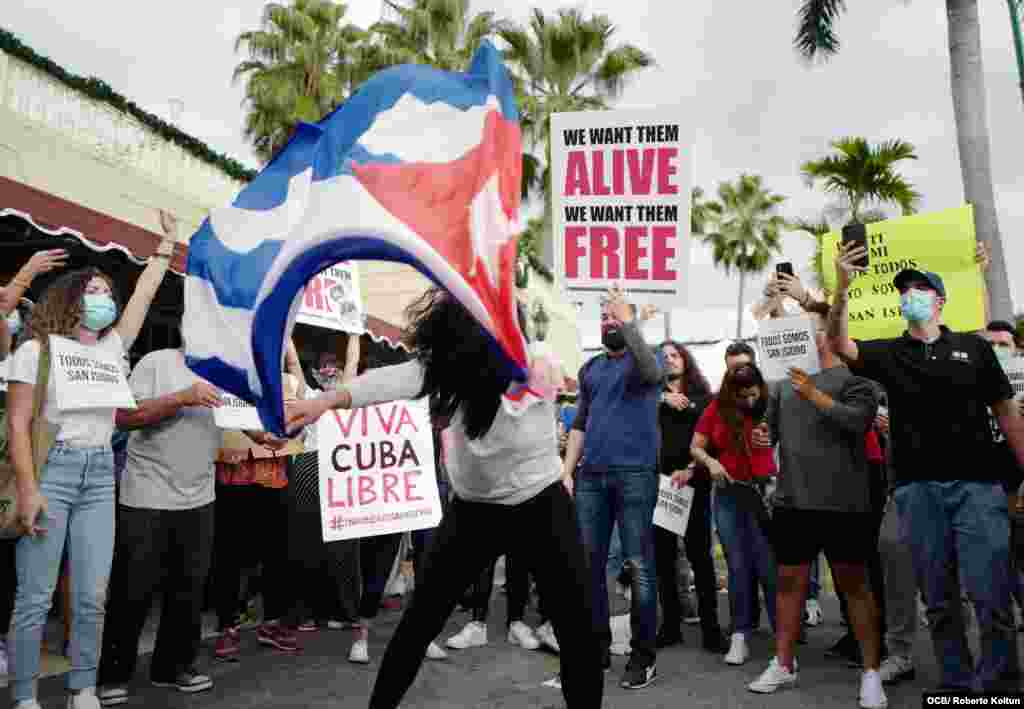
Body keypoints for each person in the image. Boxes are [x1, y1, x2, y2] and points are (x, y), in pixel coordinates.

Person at [285, 288, 603, 709]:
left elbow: (516, 380)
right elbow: (394, 378)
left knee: (576, 630)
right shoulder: (450, 366)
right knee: (418, 623)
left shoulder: (535, 365)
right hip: (473, 512)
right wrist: (326, 400)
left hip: (539, 505)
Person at [827, 242, 1024, 692]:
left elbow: (1007, 411)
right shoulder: (889, 353)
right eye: (904, 290)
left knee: (990, 595)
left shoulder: (974, 349)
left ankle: (998, 686)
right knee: (938, 600)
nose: (909, 294)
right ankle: (955, 686)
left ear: (939, 300)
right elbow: (839, 343)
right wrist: (842, 287)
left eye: (920, 288)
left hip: (977, 488)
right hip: (918, 493)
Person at [8, 211, 178, 709]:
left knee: (91, 597)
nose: (105, 300)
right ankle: (24, 696)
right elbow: (18, 424)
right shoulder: (35, 350)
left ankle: (83, 687)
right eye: (95, 291)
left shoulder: (112, 350)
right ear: (72, 298)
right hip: (52, 473)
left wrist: (165, 249)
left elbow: (144, 297)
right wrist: (28, 488)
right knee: (35, 597)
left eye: (108, 292)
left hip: (101, 475)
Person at [97, 333, 286, 705]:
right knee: (132, 591)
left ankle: (174, 667)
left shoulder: (226, 372)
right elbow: (125, 417)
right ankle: (113, 674)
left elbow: (241, 417)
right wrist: (182, 397)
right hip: (146, 494)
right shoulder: (156, 361)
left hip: (200, 496)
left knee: (189, 590)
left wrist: (266, 436)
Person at [746, 306, 886, 708]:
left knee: (854, 588)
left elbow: (857, 422)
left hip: (844, 503)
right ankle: (784, 663)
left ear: (827, 333)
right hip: (793, 502)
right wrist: (762, 436)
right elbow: (769, 430)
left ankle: (871, 672)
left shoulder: (857, 380)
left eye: (813, 327)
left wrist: (815, 395)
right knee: (789, 584)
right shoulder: (784, 385)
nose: (805, 333)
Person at [561, 286, 662, 689]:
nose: (609, 321)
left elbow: (653, 374)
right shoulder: (590, 369)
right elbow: (580, 424)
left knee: (638, 565)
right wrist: (568, 469)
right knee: (589, 568)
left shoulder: (647, 360)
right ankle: (596, 648)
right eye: (604, 316)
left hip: (635, 474)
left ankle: (643, 656)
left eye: (615, 316)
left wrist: (628, 317)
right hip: (591, 478)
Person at [211, 364, 303, 662]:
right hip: (235, 475)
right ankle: (228, 625)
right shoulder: (222, 372)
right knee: (231, 558)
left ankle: (272, 623)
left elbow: (299, 398)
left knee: (278, 556)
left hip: (273, 476)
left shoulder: (283, 380)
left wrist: (288, 349)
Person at [689, 363, 776, 666]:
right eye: (743, 397)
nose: (750, 401)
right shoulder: (716, 408)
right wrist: (710, 462)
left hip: (764, 494)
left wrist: (773, 439)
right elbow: (696, 447)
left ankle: (783, 639)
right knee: (737, 566)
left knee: (768, 567)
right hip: (728, 493)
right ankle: (740, 634)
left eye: (754, 394)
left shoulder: (772, 403)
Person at [655, 340, 726, 653]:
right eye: (663, 357)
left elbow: (713, 441)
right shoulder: (651, 397)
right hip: (660, 485)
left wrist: (692, 468)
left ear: (686, 360)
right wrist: (661, 397)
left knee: (700, 556)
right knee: (663, 558)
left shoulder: (704, 397)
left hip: (693, 481)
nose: (669, 360)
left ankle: (711, 628)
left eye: (675, 355)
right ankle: (670, 625)